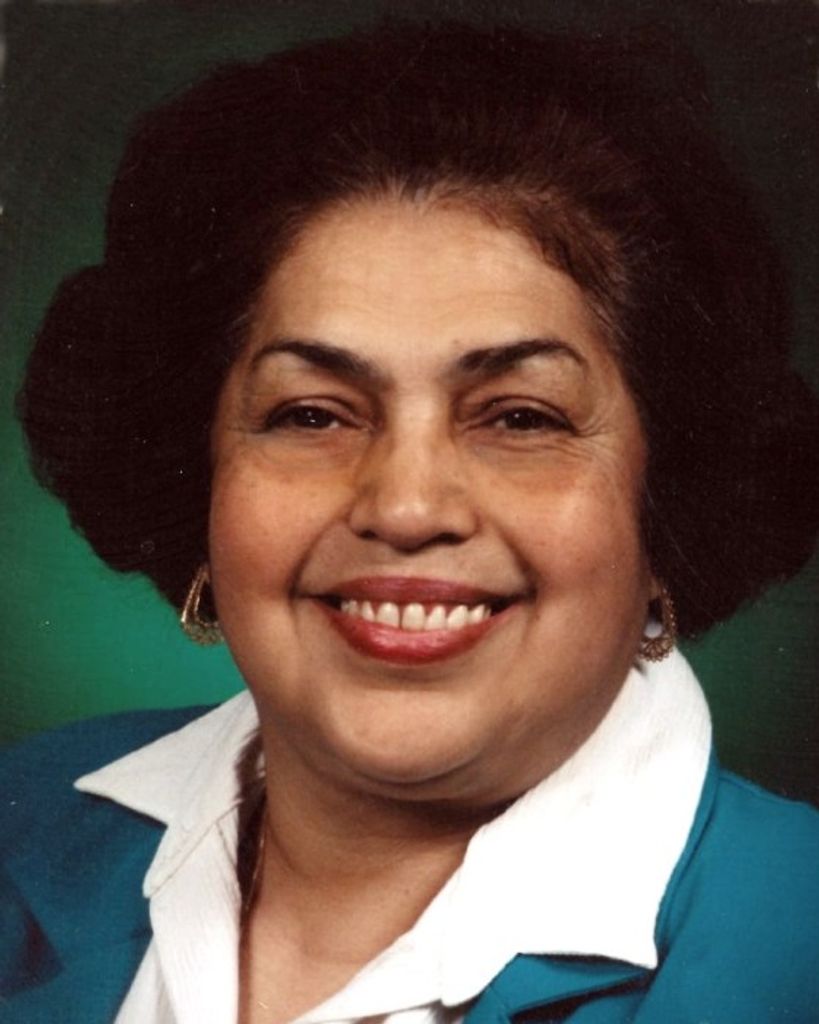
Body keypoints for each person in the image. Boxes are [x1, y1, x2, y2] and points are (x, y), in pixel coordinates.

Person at [2, 19, 819, 1024]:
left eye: (520, 418)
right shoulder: (22, 816)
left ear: (670, 496)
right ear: (198, 473)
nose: (405, 506)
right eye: (312, 414)